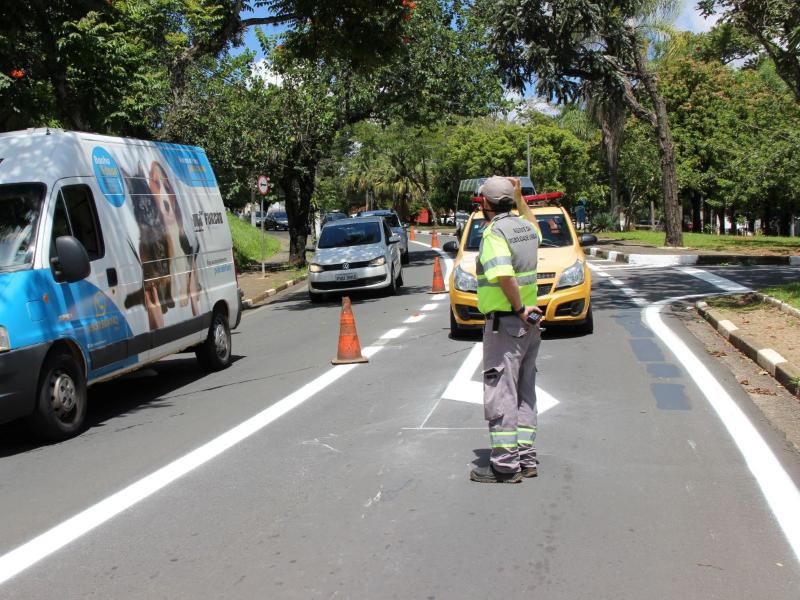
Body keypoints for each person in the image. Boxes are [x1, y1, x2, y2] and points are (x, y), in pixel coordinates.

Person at [470, 176, 543, 484]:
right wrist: (519, 195)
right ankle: (525, 458)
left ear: (484, 204)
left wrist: (517, 309)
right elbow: (530, 220)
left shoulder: (494, 234)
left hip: (507, 322)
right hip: (531, 325)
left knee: (502, 390)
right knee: (525, 391)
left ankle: (504, 464)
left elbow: (503, 275)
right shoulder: (526, 228)